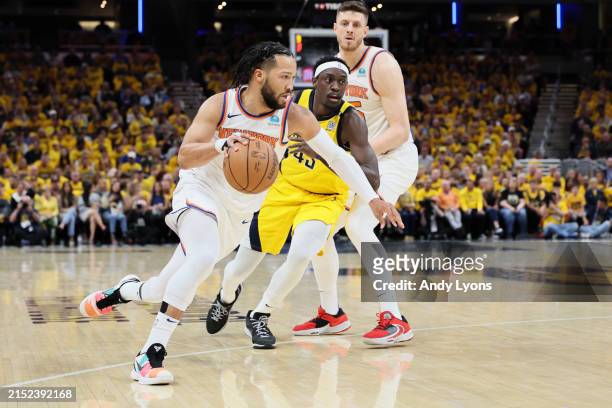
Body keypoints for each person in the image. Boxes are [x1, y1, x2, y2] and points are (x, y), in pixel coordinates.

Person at [78, 41, 401, 385]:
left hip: (238, 212)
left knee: (160, 289)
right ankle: (150, 354)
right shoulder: (221, 104)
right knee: (202, 258)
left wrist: (372, 198)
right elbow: (185, 156)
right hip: (199, 192)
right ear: (259, 76)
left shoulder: (293, 115)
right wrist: (220, 146)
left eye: (294, 77)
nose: (292, 85)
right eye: (285, 76)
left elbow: (339, 158)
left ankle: (123, 291)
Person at [205, 57, 380, 348]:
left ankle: (260, 314)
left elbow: (372, 177)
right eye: (329, 80)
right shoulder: (295, 105)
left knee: (301, 254)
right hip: (281, 190)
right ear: (314, 82)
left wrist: (324, 154)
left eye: (342, 82)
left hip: (324, 199)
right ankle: (225, 295)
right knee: (239, 267)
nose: (336, 87)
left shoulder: (351, 121)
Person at [302, 0, 419, 346]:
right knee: (317, 230)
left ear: (366, 30)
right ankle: (331, 313)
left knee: (358, 224)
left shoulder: (381, 64)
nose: (350, 29)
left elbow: (399, 130)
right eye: (344, 23)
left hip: (393, 157)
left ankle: (395, 318)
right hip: (357, 160)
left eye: (357, 23)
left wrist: (349, 158)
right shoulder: (332, 70)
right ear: (335, 28)